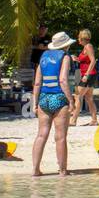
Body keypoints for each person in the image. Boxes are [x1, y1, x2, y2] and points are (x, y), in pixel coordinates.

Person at [32, 31, 75, 176]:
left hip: (44, 98)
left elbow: (37, 82)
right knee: (60, 136)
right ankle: (62, 170)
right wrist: (71, 100)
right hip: (59, 98)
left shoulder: (43, 56)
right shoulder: (65, 57)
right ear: (65, 46)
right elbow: (63, 80)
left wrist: (35, 103)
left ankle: (35, 170)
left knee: (41, 135)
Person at [70, 29, 99, 126]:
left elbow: (93, 61)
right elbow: (86, 61)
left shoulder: (88, 46)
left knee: (78, 96)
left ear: (82, 38)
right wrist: (77, 59)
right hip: (88, 74)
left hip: (88, 75)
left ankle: (73, 121)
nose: (78, 39)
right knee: (89, 98)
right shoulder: (85, 48)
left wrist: (86, 74)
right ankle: (94, 120)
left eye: (79, 37)